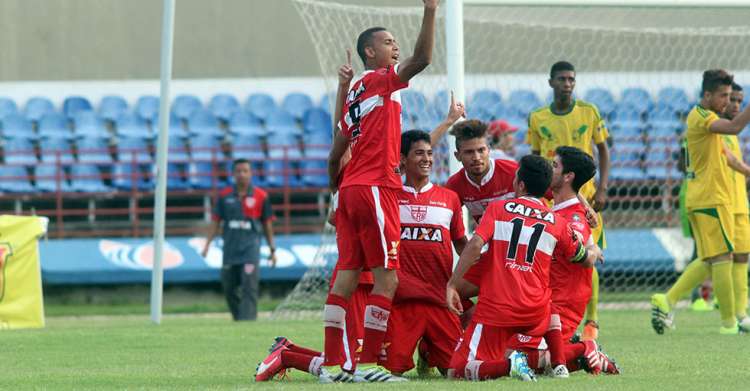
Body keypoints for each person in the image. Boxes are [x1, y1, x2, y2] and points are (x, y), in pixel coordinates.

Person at [324, 2, 439, 379]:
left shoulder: (356, 89)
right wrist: (430, 10)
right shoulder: (380, 79)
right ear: (370, 52)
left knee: (347, 273)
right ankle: (370, 364)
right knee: (387, 276)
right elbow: (422, 58)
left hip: (353, 190)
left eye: (395, 41)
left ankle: (333, 364)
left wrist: (335, 194)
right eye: (388, 42)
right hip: (377, 186)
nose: (396, 46)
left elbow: (335, 151)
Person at [445, 154, 602, 382]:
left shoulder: (498, 209)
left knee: (457, 371)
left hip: (497, 309)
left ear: (520, 184)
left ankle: (510, 367)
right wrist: (594, 250)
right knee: (548, 304)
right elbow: (581, 256)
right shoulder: (557, 222)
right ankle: (562, 362)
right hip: (535, 311)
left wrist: (452, 283)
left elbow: (476, 244)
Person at [651, 70, 750, 335]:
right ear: (707, 95)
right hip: (710, 198)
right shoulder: (703, 117)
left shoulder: (708, 120)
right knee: (722, 259)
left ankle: (667, 299)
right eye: (723, 96)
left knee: (711, 259)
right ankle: (730, 323)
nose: (727, 102)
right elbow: (734, 126)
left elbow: (727, 157)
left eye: (730, 96)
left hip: (708, 198)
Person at [527, 61, 610, 341]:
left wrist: (600, 191)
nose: (567, 84)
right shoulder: (538, 118)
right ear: (551, 82)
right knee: (557, 257)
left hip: (582, 197)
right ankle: (552, 318)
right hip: (553, 197)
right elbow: (537, 160)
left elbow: (603, 150)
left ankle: (592, 322)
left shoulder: (589, 111)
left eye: (571, 79)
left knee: (588, 253)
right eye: (562, 79)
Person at [380, 130, 467, 377]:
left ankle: (428, 349)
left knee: (456, 371)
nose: (427, 159)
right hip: (403, 299)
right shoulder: (390, 197)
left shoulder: (449, 199)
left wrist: (478, 272)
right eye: (419, 153)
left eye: (430, 153)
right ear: (403, 159)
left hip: (440, 299)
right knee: (389, 371)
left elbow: (462, 243)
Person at [202, 159, 276, 321]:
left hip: (251, 249)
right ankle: (239, 319)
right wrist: (207, 244)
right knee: (229, 287)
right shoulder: (224, 196)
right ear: (233, 174)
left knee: (249, 287)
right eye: (238, 171)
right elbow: (215, 222)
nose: (242, 174)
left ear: (250, 174)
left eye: (245, 171)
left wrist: (272, 249)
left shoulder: (261, 196)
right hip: (230, 249)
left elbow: (267, 224)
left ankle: (247, 322)